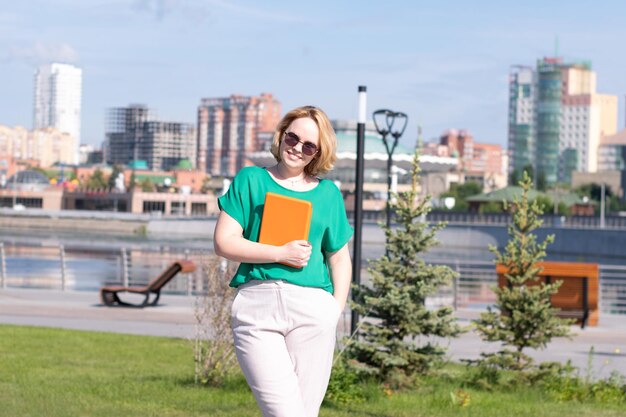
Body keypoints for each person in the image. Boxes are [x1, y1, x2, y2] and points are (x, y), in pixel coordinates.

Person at [213, 105, 353, 417]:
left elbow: (340, 259)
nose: (297, 149)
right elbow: (224, 242)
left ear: (318, 152)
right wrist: (279, 252)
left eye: (309, 146)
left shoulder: (328, 194)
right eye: (293, 138)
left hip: (313, 309)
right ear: (282, 136)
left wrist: (335, 310)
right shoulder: (251, 180)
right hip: (257, 308)